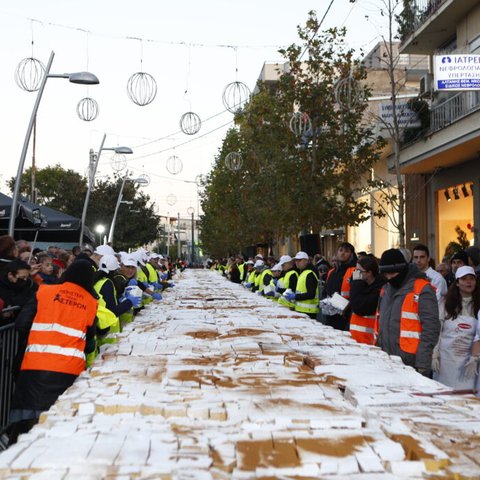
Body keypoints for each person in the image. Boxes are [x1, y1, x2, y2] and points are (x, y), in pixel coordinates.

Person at [8, 260, 98, 444]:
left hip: (34, 366)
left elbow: (21, 324)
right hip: (68, 371)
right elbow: (89, 344)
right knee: (56, 427)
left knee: (25, 426)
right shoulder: (90, 302)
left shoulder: (45, 292)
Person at [376, 248, 440, 376]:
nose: (389, 278)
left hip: (412, 362)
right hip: (387, 360)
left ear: (402, 270)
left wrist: (422, 363)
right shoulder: (386, 289)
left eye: (392, 274)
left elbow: (431, 328)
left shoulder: (422, 289)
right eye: (385, 274)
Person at [432, 266, 480, 390]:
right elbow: (437, 330)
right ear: (457, 283)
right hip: (446, 362)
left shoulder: (478, 306)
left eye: (471, 279)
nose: (469, 282)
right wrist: (434, 354)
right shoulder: (445, 304)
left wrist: (475, 358)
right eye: (464, 279)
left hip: (470, 363)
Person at [349, 255, 385, 345]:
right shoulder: (362, 284)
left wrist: (356, 283)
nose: (356, 274)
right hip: (356, 337)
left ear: (369, 273)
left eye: (359, 271)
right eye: (355, 270)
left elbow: (359, 307)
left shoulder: (379, 289)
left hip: (370, 340)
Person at [322, 242, 357, 330]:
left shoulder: (355, 271)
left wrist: (346, 307)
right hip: (330, 312)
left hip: (345, 315)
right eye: (340, 250)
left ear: (351, 254)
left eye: (346, 251)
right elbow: (325, 290)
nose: (342, 253)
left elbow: (357, 291)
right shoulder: (331, 271)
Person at [0, 260, 37, 326]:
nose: (25, 280)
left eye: (26, 277)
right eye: (23, 277)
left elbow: (34, 294)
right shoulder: (2, 286)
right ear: (10, 275)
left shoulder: (24, 282)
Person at [283, 251, 319, 319]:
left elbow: (311, 294)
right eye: (296, 260)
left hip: (309, 311)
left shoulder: (310, 274)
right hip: (302, 310)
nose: (297, 262)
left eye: (299, 260)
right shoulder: (303, 273)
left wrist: (295, 296)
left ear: (306, 261)